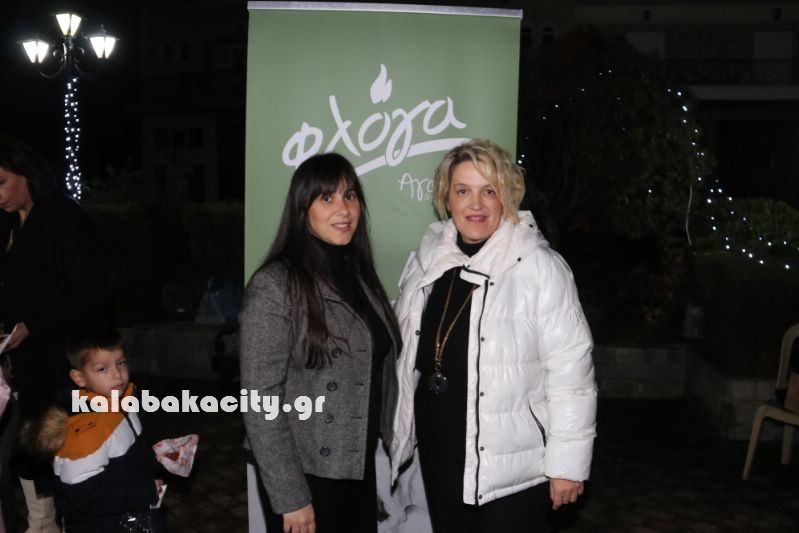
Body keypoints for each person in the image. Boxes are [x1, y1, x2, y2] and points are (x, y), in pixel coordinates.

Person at [389, 139, 597, 533]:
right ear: (446, 199)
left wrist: (567, 466)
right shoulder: (427, 262)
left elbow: (572, 374)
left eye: (489, 191)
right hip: (439, 454)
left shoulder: (540, 268)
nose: (476, 204)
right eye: (463, 191)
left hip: (510, 467)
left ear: (507, 197)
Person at [240, 153, 401, 533]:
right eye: (326, 198)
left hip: (356, 467)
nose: (343, 209)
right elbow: (260, 400)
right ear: (302, 209)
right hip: (305, 475)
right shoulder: (275, 286)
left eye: (350, 196)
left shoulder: (359, 275)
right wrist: (291, 497)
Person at [0, 135, 108, 532]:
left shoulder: (64, 218)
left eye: (1, 182)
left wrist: (33, 326)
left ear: (26, 174)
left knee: (63, 461)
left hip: (58, 367)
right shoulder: (9, 222)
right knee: (30, 456)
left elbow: (90, 293)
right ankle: (41, 522)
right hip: (22, 368)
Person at [29, 326, 165, 532]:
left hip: (132, 514)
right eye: (102, 369)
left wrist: (156, 458)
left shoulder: (122, 400)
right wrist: (145, 491)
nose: (117, 375)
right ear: (79, 378)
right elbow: (87, 495)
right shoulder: (85, 432)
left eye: (121, 363)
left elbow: (126, 448)